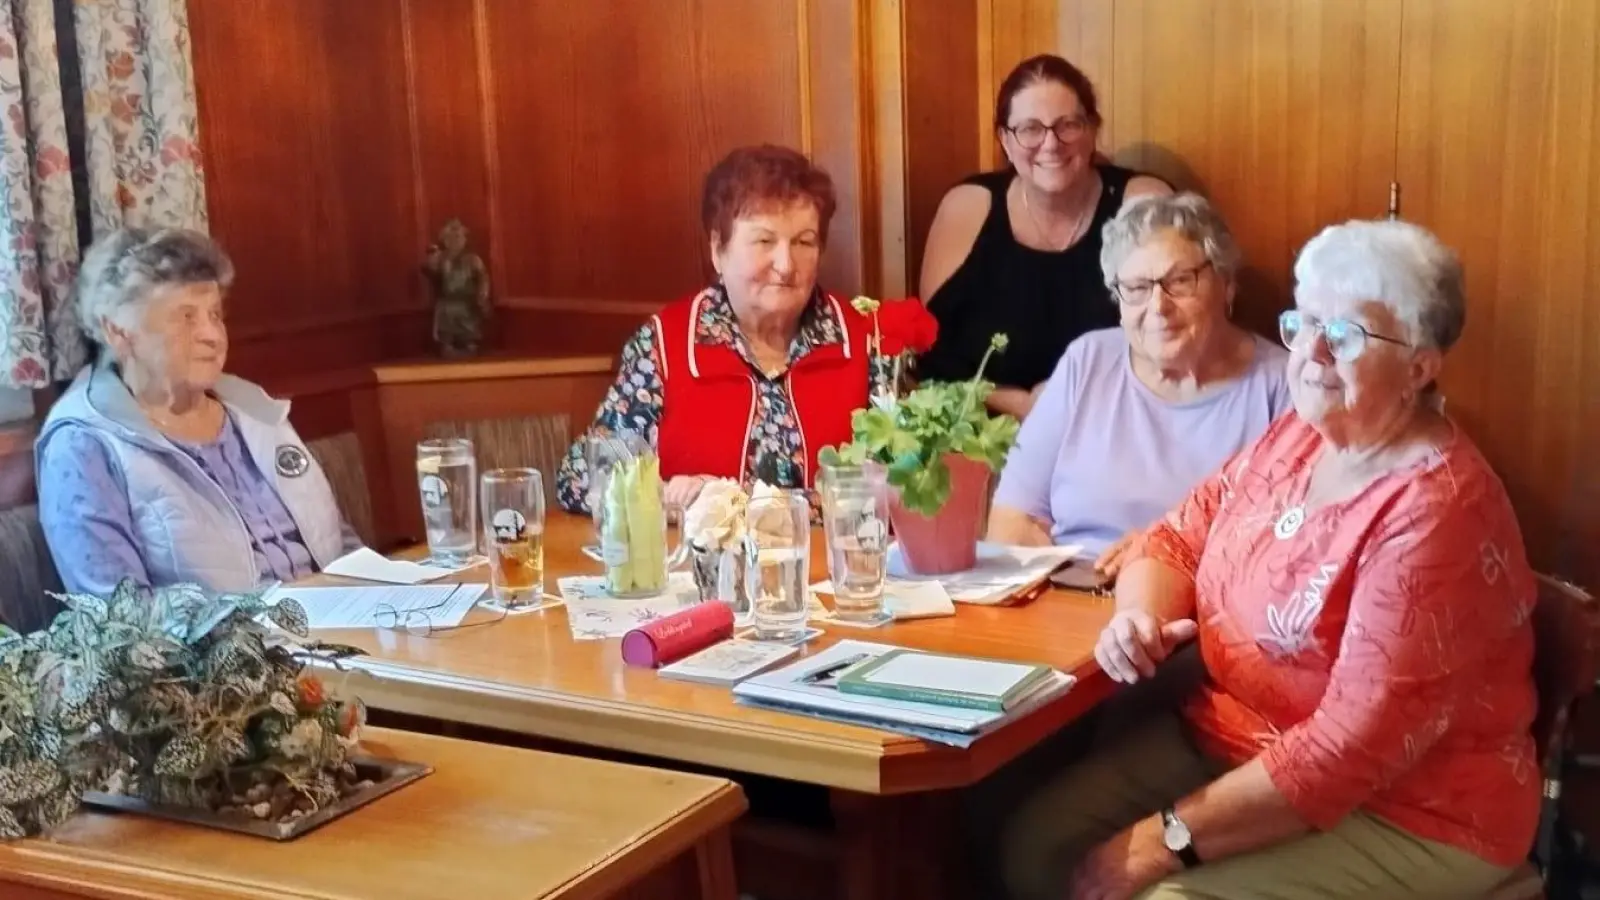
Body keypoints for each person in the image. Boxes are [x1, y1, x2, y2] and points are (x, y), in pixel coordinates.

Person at [1001, 220, 1539, 900]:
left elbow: (1345, 753)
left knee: (1165, 898)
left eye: (1344, 336)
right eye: (1303, 322)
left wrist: (1161, 844)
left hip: (1412, 810)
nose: (1311, 353)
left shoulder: (1434, 513)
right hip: (1233, 740)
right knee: (1036, 847)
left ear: (1419, 365)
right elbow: (1176, 538)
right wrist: (1140, 618)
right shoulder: (1302, 434)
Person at [37, 227, 361, 596]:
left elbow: (338, 542)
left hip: (339, 629)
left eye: (215, 314)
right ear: (118, 332)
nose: (213, 334)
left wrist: (385, 599)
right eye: (186, 316)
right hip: (234, 649)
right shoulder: (82, 445)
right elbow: (121, 618)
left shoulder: (255, 409)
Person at [556, 144, 875, 515]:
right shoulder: (666, 345)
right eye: (764, 241)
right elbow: (582, 477)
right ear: (717, 249)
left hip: (823, 570)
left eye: (804, 242)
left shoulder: (865, 341)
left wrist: (730, 503)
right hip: (695, 570)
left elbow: (901, 487)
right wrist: (663, 499)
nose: (786, 265)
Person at [987, 194, 1291, 576]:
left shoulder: (1284, 386)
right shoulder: (1087, 361)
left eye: (1180, 281)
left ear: (1226, 284)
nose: (1158, 307)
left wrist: (1169, 552)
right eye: (1136, 288)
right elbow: (1012, 519)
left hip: (1198, 612)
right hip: (1071, 595)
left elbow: (1285, 551)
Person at [917, 54, 1171, 420]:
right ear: (1005, 139)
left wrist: (1067, 402)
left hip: (1118, 428)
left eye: (1068, 125)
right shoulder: (967, 206)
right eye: (1030, 129)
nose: (1051, 144)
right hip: (981, 436)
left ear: (1092, 129)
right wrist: (1019, 404)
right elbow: (931, 355)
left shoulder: (1142, 202)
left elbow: (1179, 336)